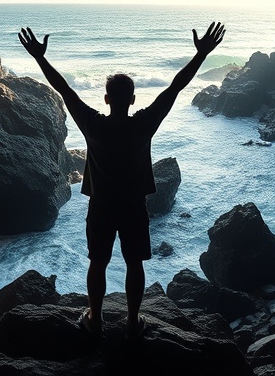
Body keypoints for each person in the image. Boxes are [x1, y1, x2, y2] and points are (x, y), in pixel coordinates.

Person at [18, 21, 226, 339]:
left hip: (101, 206)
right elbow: (175, 88)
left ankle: (96, 320)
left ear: (105, 99)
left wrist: (39, 57)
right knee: (134, 264)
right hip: (133, 207)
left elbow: (64, 90)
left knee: (98, 263)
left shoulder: (92, 124)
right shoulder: (143, 124)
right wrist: (200, 55)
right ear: (131, 100)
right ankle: (132, 322)